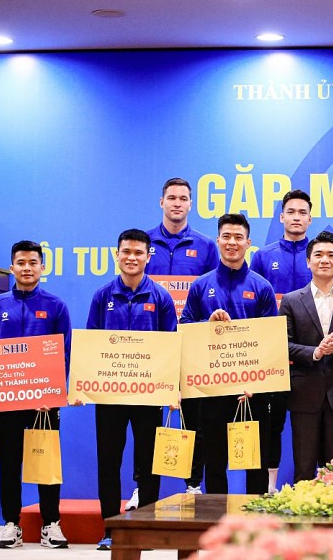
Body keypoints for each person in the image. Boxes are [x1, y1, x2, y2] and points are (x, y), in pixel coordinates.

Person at [86, 229, 177, 551]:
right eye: (126, 252)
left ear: (148, 257)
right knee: (108, 462)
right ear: (117, 254)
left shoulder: (161, 297)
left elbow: (171, 346)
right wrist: (85, 381)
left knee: (149, 463)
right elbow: (92, 344)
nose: (132, 257)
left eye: (138, 252)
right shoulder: (102, 296)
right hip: (109, 394)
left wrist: (172, 389)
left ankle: (146, 530)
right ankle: (110, 530)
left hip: (149, 395)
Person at [0, 241, 72, 549]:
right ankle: (11, 524)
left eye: (33, 262)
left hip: (44, 403)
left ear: (43, 267)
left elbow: (65, 354)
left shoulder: (56, 306)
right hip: (6, 402)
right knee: (9, 462)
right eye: (21, 263)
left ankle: (51, 524)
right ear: (12, 267)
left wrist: (52, 391)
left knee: (46, 463)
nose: (27, 268)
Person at [180, 213, 278, 496]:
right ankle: (217, 519)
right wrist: (206, 324)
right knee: (214, 461)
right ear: (218, 240)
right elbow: (185, 329)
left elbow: (270, 341)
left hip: (251, 390)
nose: (232, 242)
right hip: (212, 389)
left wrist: (256, 384)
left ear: (248, 243)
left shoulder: (262, 287)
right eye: (226, 236)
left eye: (238, 237)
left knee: (255, 462)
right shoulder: (200, 285)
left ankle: (254, 519)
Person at [142, 177, 218, 503]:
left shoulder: (206, 246)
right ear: (161, 202)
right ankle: (143, 486)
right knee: (146, 419)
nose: (177, 203)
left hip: (192, 344)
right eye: (171, 197)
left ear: (190, 204)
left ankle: (193, 485)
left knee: (194, 417)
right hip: (151, 345)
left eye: (183, 198)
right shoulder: (143, 242)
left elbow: (214, 290)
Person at [278, 231, 333, 482]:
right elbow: (283, 345)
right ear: (308, 261)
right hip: (303, 395)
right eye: (318, 255)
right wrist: (315, 352)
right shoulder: (291, 301)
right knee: (304, 469)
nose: (325, 260)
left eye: (331, 255)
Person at [250, 189, 318, 493]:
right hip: (271, 357)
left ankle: (315, 487)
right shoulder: (263, 256)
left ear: (310, 219)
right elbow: (252, 302)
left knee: (311, 424)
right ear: (281, 217)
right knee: (271, 424)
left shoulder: (319, 255)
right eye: (291, 212)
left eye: (303, 213)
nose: (296, 217)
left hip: (310, 357)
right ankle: (270, 488)